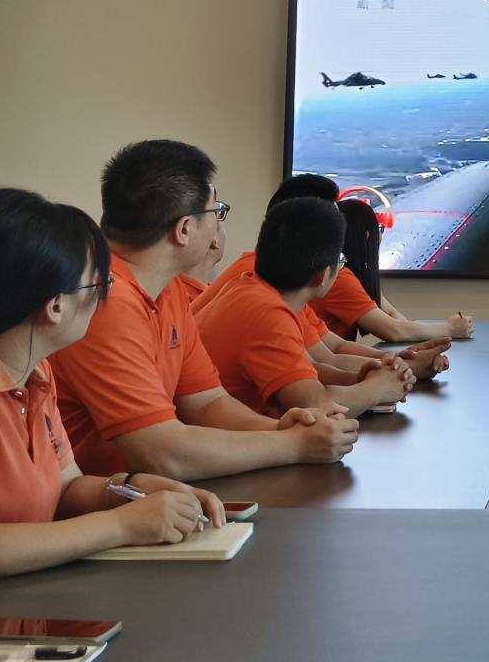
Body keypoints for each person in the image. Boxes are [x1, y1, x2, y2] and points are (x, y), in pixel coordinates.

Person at [0, 189, 228, 611]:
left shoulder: (34, 369)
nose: (105, 297)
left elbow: (66, 486)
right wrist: (122, 525)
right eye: (101, 283)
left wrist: (131, 489)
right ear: (55, 307)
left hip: (17, 599)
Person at [50, 140, 358, 478]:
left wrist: (283, 430)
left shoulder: (166, 289)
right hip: (106, 500)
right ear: (184, 229)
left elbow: (207, 403)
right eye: (216, 212)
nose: (218, 225)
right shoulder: (105, 302)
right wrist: (294, 445)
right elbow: (161, 454)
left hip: (155, 494)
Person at [197, 196, 414, 418]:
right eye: (340, 261)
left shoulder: (251, 289)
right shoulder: (266, 312)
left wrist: (362, 378)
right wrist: (377, 389)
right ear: (323, 275)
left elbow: (312, 370)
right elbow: (316, 403)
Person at [268, 176, 466, 356]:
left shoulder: (343, 277)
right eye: (378, 227)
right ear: (365, 235)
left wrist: (412, 356)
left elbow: (393, 319)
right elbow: (392, 330)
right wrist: (449, 329)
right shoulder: (340, 279)